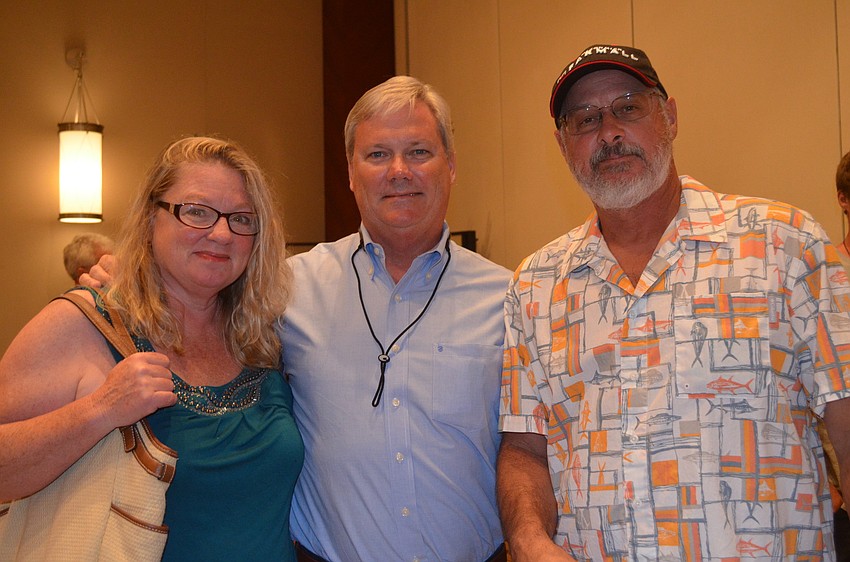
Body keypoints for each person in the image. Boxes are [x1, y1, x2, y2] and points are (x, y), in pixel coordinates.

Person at [497, 44, 850, 561]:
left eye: (628, 108)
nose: (609, 132)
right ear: (562, 143)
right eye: (585, 119)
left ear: (670, 117)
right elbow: (526, 448)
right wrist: (528, 540)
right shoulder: (535, 284)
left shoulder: (786, 246)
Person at [0, 136, 303, 560]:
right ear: (149, 219)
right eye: (196, 212)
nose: (220, 233)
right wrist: (100, 409)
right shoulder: (84, 324)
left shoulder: (265, 335)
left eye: (241, 218)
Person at [282, 76, 510, 561]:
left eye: (419, 152)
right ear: (350, 172)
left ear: (451, 166)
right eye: (378, 154)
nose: (399, 171)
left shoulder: (510, 298)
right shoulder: (287, 290)